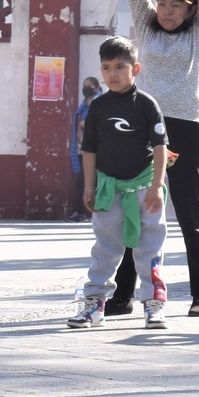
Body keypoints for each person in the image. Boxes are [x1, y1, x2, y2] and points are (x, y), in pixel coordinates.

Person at [109, 0, 199, 317]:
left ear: (191, 10)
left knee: (190, 212)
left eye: (175, 5)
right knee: (133, 211)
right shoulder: (146, 25)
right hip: (145, 130)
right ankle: (122, 294)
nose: (166, 10)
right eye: (162, 3)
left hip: (187, 128)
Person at [69, 37, 170, 329]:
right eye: (106, 67)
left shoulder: (147, 105)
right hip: (108, 190)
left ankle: (154, 305)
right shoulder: (98, 107)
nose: (112, 73)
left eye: (120, 66)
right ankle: (94, 306)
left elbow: (161, 146)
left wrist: (156, 186)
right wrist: (89, 186)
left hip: (144, 189)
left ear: (135, 68)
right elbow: (90, 150)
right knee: (105, 248)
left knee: (149, 248)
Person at [69, 76, 101, 221]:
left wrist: (85, 124)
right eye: (84, 85)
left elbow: (99, 123)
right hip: (82, 147)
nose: (85, 88)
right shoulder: (83, 104)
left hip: (96, 149)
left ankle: (84, 212)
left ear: (96, 87)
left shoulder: (100, 103)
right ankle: (83, 211)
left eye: (89, 85)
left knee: (86, 180)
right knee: (81, 180)